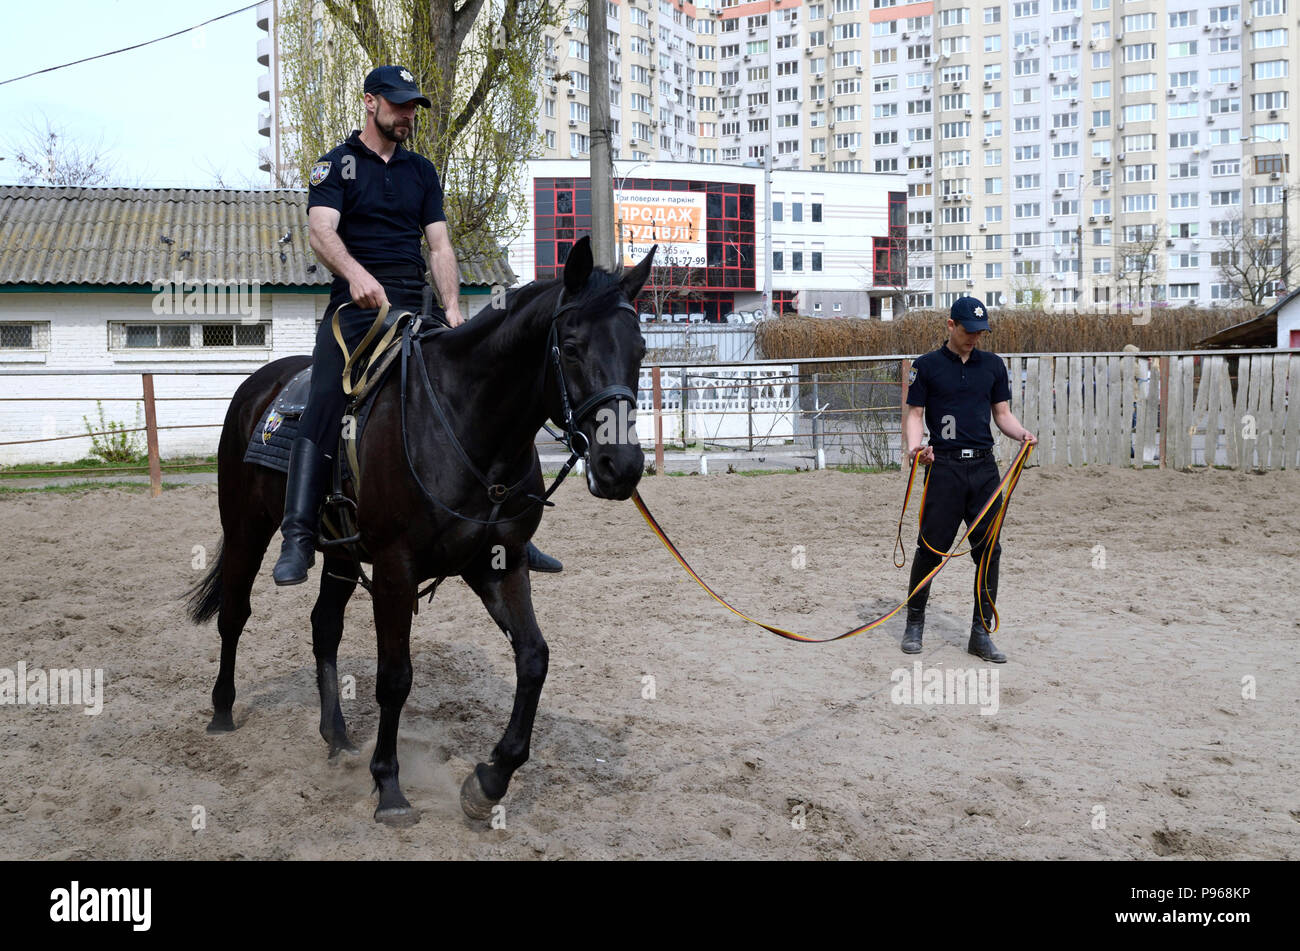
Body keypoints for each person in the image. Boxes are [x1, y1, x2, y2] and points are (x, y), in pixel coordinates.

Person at [272, 64, 562, 586]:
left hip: (417, 310)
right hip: (354, 315)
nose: (408, 115)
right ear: (369, 102)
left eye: (413, 106)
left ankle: (509, 528)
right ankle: (297, 534)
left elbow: (440, 245)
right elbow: (320, 232)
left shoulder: (422, 172)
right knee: (323, 399)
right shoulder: (334, 167)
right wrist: (357, 275)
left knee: (480, 392)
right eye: (399, 104)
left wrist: (452, 307)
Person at [900, 297, 1036, 662]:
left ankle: (981, 632)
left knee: (989, 552)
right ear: (950, 326)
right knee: (929, 549)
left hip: (983, 471)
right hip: (943, 469)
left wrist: (1021, 433)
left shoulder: (992, 365)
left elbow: (1002, 414)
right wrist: (916, 450)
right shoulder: (926, 366)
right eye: (968, 330)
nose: (975, 337)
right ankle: (914, 623)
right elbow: (915, 414)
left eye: (980, 331)